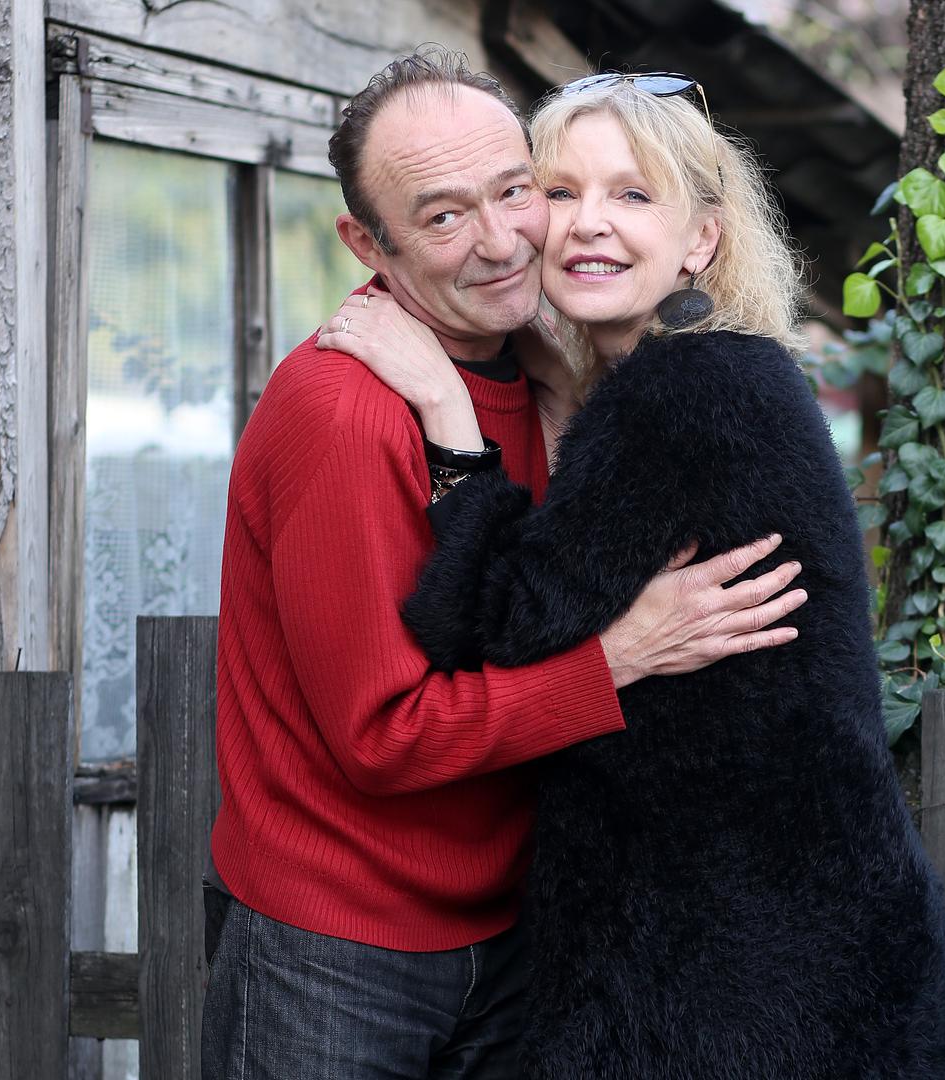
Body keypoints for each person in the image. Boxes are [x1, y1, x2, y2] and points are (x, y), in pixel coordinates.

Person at [323, 73, 945, 1079]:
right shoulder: (712, 372)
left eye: (631, 194)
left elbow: (490, 625)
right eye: (559, 191)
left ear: (700, 238)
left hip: (738, 976)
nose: (587, 222)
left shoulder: (683, 390)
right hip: (769, 938)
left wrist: (449, 419)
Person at [202, 50, 808, 1080]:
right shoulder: (344, 411)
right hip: (342, 950)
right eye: (443, 216)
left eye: (516, 192)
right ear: (368, 244)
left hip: (517, 932)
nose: (500, 241)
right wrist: (621, 656)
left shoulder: (549, 377)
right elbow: (383, 738)